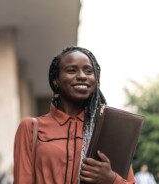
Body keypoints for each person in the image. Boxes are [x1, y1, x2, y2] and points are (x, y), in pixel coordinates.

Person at [14, 46, 136, 184]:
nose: (82, 76)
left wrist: (111, 179)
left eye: (89, 71)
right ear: (56, 80)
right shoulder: (31, 128)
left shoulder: (107, 131)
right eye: (71, 70)